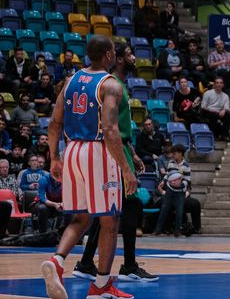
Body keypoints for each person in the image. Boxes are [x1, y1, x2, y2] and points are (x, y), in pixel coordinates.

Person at [40, 35, 138, 299]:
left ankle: (57, 262)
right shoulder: (111, 85)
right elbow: (109, 128)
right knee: (110, 220)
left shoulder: (71, 81)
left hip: (72, 150)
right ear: (108, 55)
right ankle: (101, 286)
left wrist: (55, 157)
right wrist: (127, 170)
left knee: (81, 218)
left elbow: (53, 123)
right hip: (98, 151)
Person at [73, 43, 157, 283]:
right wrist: (125, 160)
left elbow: (119, 127)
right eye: (129, 54)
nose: (134, 58)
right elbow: (110, 128)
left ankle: (86, 262)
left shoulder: (116, 85)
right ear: (118, 58)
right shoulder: (112, 85)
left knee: (108, 210)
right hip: (110, 151)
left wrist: (133, 152)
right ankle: (128, 266)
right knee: (131, 205)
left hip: (118, 148)